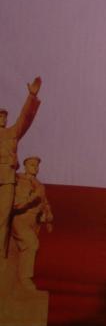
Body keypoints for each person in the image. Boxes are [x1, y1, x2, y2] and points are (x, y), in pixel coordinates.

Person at [0, 76, 41, 259]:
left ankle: (0, 257)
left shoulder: (11, 133)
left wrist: (31, 97)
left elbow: (25, 119)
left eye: (4, 116)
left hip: (7, 180)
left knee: (3, 218)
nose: (2, 118)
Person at [8, 155, 52, 291]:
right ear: (25, 166)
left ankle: (15, 280)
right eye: (32, 165)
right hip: (20, 218)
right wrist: (32, 199)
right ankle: (25, 278)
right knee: (31, 244)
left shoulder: (39, 185)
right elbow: (15, 202)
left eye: (37, 165)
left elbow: (45, 202)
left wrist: (48, 215)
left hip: (33, 222)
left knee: (23, 250)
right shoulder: (18, 180)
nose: (35, 168)